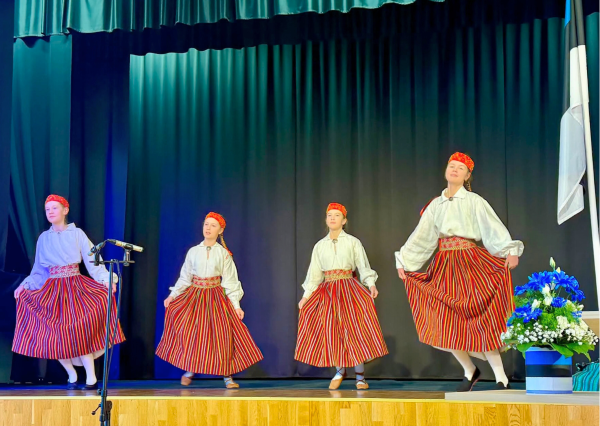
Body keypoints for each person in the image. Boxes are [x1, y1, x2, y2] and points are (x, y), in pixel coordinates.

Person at [396, 153, 524, 391]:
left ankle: (501, 377)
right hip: (445, 265)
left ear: (467, 176)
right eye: (451, 166)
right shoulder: (435, 205)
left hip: (470, 262)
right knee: (447, 321)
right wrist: (404, 260)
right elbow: (422, 236)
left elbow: (492, 226)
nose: (454, 170)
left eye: (460, 168)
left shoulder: (474, 201)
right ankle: (469, 370)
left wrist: (510, 250)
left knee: (480, 319)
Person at [13, 195, 125, 390]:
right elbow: (39, 270)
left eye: (54, 208)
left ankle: (91, 377)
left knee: (79, 332)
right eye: (47, 209)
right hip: (53, 290)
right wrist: (26, 285)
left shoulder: (77, 234)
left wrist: (107, 280)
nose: (50, 212)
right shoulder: (44, 238)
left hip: (75, 287)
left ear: (65, 210)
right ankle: (71, 374)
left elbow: (93, 260)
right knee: (56, 334)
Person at [155, 212, 263, 388]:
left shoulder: (223, 254)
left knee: (222, 335)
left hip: (215, 297)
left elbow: (231, 281)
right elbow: (185, 277)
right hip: (195, 297)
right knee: (193, 334)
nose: (208, 228)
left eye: (213, 225)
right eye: (206, 224)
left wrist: (236, 306)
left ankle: (227, 376)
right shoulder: (194, 251)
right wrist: (172, 295)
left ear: (220, 230)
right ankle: (190, 370)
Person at [295, 203, 388, 390]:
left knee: (354, 330)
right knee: (333, 330)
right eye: (329, 215)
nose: (332, 218)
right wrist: (306, 296)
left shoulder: (352, 242)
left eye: (337, 215)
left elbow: (363, 265)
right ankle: (340, 370)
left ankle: (360, 376)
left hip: (349, 288)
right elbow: (314, 275)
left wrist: (370, 284)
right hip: (329, 291)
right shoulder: (320, 246)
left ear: (344, 220)